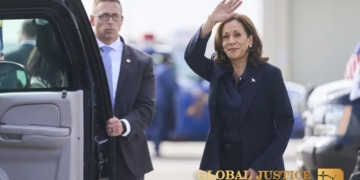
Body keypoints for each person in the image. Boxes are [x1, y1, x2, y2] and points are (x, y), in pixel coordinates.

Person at [183, 0, 294, 179]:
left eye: (237, 35)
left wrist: (262, 165)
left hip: (260, 165)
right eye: (225, 36)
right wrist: (211, 21)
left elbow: (285, 124)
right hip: (224, 166)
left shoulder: (270, 75)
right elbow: (191, 56)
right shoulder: (217, 71)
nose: (231, 41)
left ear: (250, 39)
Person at [90, 0, 155, 179]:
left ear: (122, 20)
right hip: (87, 152)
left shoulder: (142, 62)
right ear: (92, 20)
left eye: (115, 16)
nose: (110, 21)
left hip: (129, 157)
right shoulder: (81, 59)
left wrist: (123, 125)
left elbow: (147, 108)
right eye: (103, 16)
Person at [152, 55, 178, 157]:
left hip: (154, 100)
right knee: (160, 125)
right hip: (162, 102)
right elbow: (172, 86)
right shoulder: (166, 71)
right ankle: (157, 148)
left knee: (156, 125)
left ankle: (156, 146)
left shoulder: (157, 69)